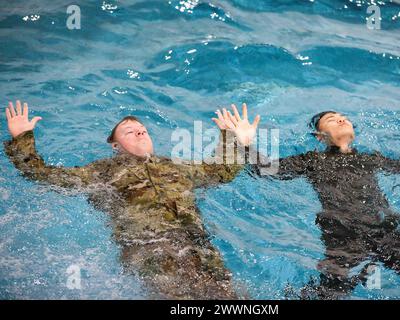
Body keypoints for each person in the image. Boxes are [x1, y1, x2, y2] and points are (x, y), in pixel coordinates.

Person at [4, 100, 260, 299]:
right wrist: (22, 139)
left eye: (143, 130)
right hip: (152, 251)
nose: (140, 133)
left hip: (199, 247)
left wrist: (235, 139)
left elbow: (221, 173)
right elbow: (44, 175)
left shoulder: (177, 167)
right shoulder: (101, 172)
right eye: (129, 131)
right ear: (114, 145)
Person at [245, 99, 400, 299]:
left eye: (344, 117)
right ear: (319, 136)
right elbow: (264, 170)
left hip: (385, 231)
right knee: (326, 295)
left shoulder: (369, 159)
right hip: (343, 236)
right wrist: (246, 144)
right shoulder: (312, 160)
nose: (341, 120)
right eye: (332, 119)